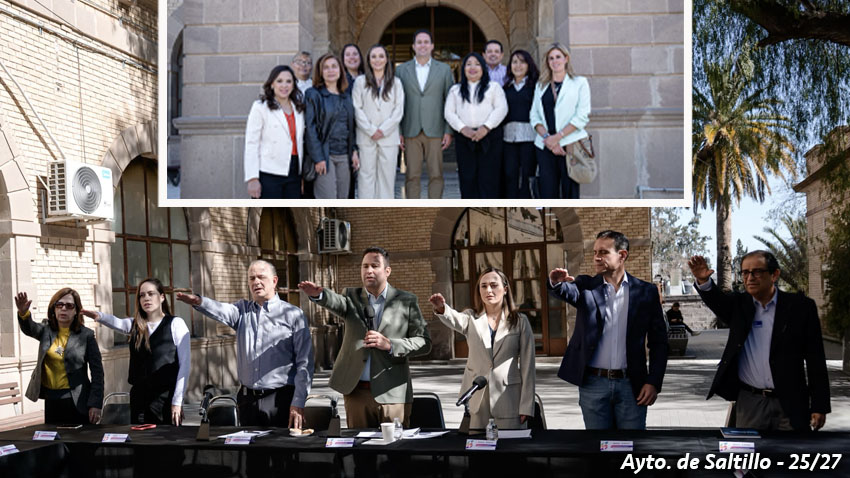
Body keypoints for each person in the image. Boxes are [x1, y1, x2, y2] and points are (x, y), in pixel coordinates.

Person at [688, 252, 830, 431]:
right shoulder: (739, 305)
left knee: (792, 455)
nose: (750, 278)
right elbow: (718, 301)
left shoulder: (800, 307)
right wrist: (703, 281)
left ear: (774, 274)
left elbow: (815, 359)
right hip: (750, 402)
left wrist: (819, 406)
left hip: (791, 401)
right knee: (749, 457)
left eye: (756, 272)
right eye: (745, 273)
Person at [297, 247, 431, 428]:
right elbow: (336, 302)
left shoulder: (406, 300)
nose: (369, 270)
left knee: (395, 448)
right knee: (360, 451)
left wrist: (390, 344)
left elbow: (424, 342)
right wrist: (319, 295)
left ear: (387, 271)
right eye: (365, 266)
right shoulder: (351, 296)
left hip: (392, 392)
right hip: (357, 392)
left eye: (375, 266)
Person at [548, 230, 668, 430]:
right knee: (597, 451)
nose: (596, 257)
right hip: (593, 385)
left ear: (622, 255)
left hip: (633, 386)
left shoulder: (646, 292)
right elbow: (566, 291)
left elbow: (659, 342)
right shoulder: (585, 286)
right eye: (595, 252)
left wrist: (654, 381)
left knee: (631, 449)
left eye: (603, 252)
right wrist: (555, 283)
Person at [429, 268, 535, 429]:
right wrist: (443, 309)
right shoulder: (471, 318)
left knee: (510, 450)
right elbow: (455, 319)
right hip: (477, 397)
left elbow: (528, 367)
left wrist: (526, 406)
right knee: (479, 449)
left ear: (505, 289)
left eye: (493, 285)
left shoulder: (520, 321)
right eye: (483, 286)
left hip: (509, 398)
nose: (488, 290)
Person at [82, 278, 190, 425]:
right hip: (139, 400)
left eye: (151, 294)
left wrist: (177, 401)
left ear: (162, 297)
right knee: (140, 445)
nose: (146, 298)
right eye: (142, 295)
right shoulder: (135, 325)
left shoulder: (176, 324)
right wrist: (98, 316)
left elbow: (185, 365)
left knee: (166, 445)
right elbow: (117, 322)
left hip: (164, 399)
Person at [15, 289, 103, 425]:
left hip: (77, 401)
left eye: (69, 306)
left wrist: (96, 403)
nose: (63, 309)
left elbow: (97, 373)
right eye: (59, 305)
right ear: (53, 309)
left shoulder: (86, 336)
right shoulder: (46, 329)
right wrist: (23, 313)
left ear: (76, 311)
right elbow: (30, 328)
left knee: (77, 444)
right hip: (51, 400)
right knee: (53, 443)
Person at [396, 29, 454, 199]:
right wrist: (398, 131)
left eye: (426, 42)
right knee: (411, 175)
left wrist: (448, 131)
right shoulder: (401, 70)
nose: (423, 45)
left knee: (436, 175)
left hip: (435, 129)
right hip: (410, 129)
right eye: (419, 42)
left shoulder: (444, 70)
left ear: (432, 46)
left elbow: (450, 101)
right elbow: (397, 103)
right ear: (413, 46)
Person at [530, 42, 591, 199]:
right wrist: (548, 139)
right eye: (551, 58)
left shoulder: (579, 83)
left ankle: (569, 224)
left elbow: (582, 116)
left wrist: (557, 138)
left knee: (570, 193)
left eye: (558, 57)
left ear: (566, 59)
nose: (554, 61)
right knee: (547, 193)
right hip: (545, 146)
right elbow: (534, 116)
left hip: (570, 145)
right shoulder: (541, 85)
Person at [444, 52, 508, 199]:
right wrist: (463, 128)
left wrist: (486, 127)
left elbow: (501, 108)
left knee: (489, 179)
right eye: (468, 64)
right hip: (465, 139)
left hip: (490, 138)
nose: (472, 68)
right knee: (468, 178)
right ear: (463, 68)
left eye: (477, 64)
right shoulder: (455, 90)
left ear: (483, 68)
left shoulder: (493, 87)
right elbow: (449, 113)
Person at [243, 65, 305, 199]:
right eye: (279, 81)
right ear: (272, 84)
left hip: (294, 172)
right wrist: (252, 178)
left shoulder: (299, 109)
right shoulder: (260, 107)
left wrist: (302, 175)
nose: (284, 85)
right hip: (269, 172)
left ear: (293, 85)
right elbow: (252, 143)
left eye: (289, 81)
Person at [352, 44, 405, 199]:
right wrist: (371, 130)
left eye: (381, 56)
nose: (377, 60)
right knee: (366, 178)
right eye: (373, 56)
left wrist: (382, 130)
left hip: (388, 138)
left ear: (387, 59)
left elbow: (398, 110)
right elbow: (357, 108)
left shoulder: (396, 83)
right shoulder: (360, 82)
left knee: (387, 179)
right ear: (368, 60)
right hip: (366, 137)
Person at [304, 53, 359, 199]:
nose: (330, 70)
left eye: (334, 66)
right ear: (320, 72)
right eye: (326, 68)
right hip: (325, 156)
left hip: (344, 155)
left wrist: (354, 150)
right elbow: (310, 129)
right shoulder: (313, 94)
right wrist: (318, 158)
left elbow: (351, 127)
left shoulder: (346, 96)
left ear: (340, 70)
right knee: (328, 200)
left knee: (343, 199)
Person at [502, 49, 540, 198]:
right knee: (510, 173)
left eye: (522, 62)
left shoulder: (535, 86)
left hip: (529, 137)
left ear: (528, 65)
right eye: (514, 62)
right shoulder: (506, 88)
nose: (518, 65)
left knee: (527, 174)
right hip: (508, 138)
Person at [342, 43, 365, 199]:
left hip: (368, 134)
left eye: (355, 53)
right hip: (348, 137)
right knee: (348, 181)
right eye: (348, 54)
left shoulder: (367, 78)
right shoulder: (340, 82)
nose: (352, 57)